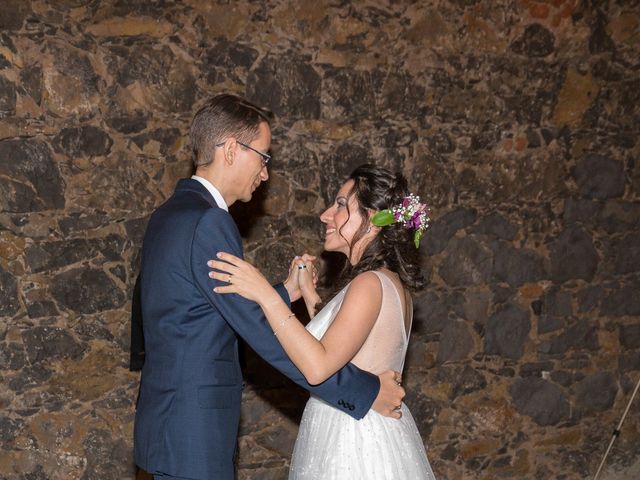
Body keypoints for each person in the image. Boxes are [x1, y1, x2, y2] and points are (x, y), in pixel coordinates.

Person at [133, 95, 405, 480]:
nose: (265, 174)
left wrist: (285, 293)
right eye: (263, 157)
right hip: (193, 432)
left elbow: (202, 312)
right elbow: (260, 330)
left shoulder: (169, 214)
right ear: (230, 150)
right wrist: (364, 391)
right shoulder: (209, 222)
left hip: (167, 424)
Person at [209, 164, 436, 479]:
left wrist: (265, 294)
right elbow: (342, 343)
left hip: (353, 441)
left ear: (372, 219)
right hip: (361, 424)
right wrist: (307, 291)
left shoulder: (369, 284)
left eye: (341, 205)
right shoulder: (384, 282)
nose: (326, 215)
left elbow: (318, 367)